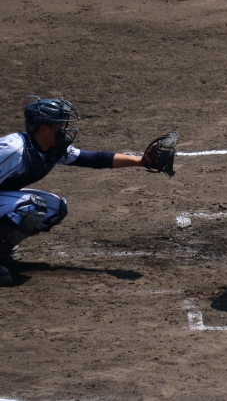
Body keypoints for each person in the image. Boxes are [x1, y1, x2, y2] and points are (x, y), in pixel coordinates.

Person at [0, 96, 176, 287]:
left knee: (54, 208)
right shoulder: (13, 150)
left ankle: (4, 251)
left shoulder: (49, 149)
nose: (64, 129)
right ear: (44, 129)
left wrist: (141, 161)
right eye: (60, 125)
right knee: (32, 207)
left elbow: (93, 159)